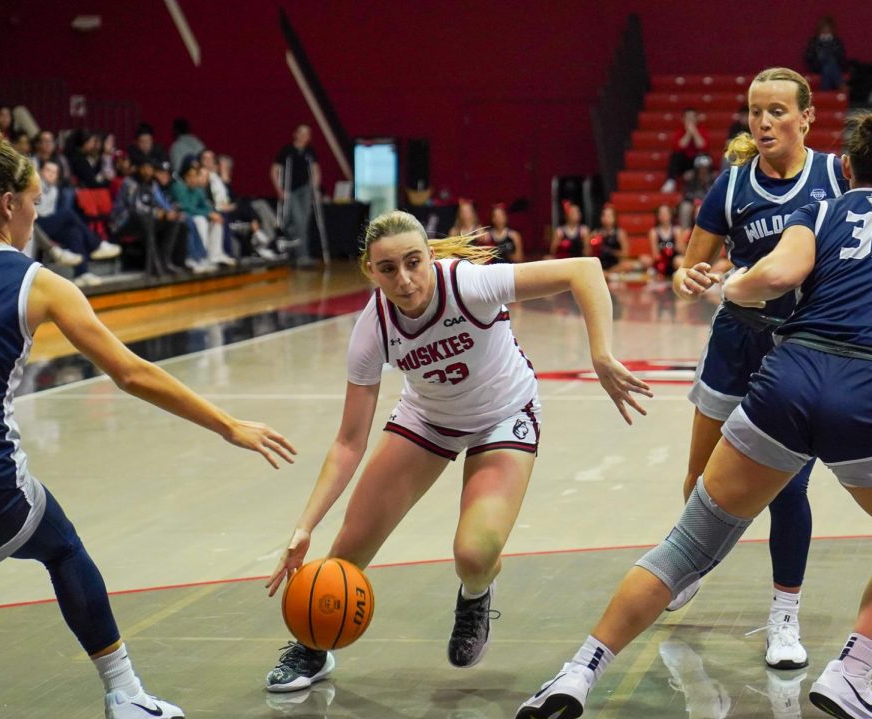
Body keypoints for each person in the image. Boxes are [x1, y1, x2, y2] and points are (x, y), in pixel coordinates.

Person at [515, 112, 872, 719]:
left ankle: (576, 673)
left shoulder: (819, 215)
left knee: (686, 547)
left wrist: (728, 289)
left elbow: (772, 277)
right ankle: (852, 671)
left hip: (786, 383)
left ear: (845, 171)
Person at [0, 108, 297, 719]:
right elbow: (133, 375)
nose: (36, 214)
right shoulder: (42, 286)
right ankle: (125, 697)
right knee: (62, 550)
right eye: (33, 203)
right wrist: (227, 425)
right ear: (7, 204)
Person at [261, 210, 651, 692]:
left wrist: (600, 353)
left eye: (413, 263)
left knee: (473, 553)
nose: (404, 280)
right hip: (428, 420)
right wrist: (305, 526)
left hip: (504, 415)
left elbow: (584, 270)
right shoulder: (372, 329)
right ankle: (313, 647)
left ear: (430, 256)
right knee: (343, 556)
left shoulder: (468, 285)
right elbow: (348, 442)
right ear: (370, 271)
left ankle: (476, 593)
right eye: (388, 269)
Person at [666, 67, 850, 670]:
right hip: (734, 343)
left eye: (777, 111)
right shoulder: (731, 184)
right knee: (700, 479)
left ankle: (784, 617)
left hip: (798, 350)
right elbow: (688, 267)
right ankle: (691, 563)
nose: (764, 122)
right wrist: (688, 277)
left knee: (788, 488)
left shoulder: (834, 177)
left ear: (806, 117)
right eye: (755, 112)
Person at [36, 160, 122, 286]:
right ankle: (96, 245)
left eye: (54, 172)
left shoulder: (55, 190)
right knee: (67, 213)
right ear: (41, 172)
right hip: (36, 224)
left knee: (74, 232)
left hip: (51, 224)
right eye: (48, 171)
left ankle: (82, 273)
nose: (50, 174)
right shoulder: (36, 185)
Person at [112, 158, 186, 277]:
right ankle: (152, 266)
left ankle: (164, 261)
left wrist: (171, 212)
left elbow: (161, 203)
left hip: (143, 220)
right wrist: (159, 213)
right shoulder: (130, 182)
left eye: (150, 169)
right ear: (138, 169)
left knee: (174, 222)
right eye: (144, 168)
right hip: (122, 221)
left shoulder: (152, 184)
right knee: (147, 219)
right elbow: (135, 207)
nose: (147, 171)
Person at [170, 158, 234, 271]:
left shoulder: (198, 189)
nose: (194, 179)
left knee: (217, 218)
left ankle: (215, 255)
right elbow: (186, 207)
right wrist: (207, 214)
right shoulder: (178, 187)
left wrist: (210, 213)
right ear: (185, 176)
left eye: (196, 176)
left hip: (196, 215)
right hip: (184, 216)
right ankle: (198, 257)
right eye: (191, 176)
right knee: (201, 220)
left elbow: (205, 205)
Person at [271, 124, 320, 264]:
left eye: (307, 134)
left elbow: (315, 170)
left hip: (305, 190)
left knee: (303, 222)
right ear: (296, 134)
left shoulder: (310, 151)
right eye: (302, 133)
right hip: (290, 190)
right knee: (299, 221)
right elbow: (274, 170)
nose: (305, 137)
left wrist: (314, 189)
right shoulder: (287, 151)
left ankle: (294, 251)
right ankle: (301, 256)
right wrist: (279, 189)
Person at [662, 109, 708, 193]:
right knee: (675, 156)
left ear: (697, 119)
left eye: (692, 118)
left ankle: (702, 185)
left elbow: (702, 146)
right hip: (683, 162)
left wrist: (694, 133)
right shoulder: (679, 132)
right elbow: (680, 147)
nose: (690, 120)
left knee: (704, 157)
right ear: (683, 119)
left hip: (696, 162)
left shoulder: (702, 131)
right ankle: (671, 181)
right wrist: (688, 133)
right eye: (688, 118)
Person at [804, 15, 847, 91]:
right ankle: (840, 84)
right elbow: (808, 57)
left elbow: (841, 57)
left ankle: (824, 90)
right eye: (824, 28)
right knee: (828, 60)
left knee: (828, 65)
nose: (826, 30)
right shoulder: (814, 41)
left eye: (828, 29)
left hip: (833, 66)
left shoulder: (836, 41)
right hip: (817, 66)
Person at [647, 204, 686, 278]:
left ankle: (677, 273)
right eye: (661, 213)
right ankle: (658, 272)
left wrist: (679, 245)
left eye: (666, 213)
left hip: (674, 262)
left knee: (679, 260)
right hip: (661, 262)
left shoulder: (677, 230)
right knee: (645, 260)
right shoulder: (654, 232)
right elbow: (655, 254)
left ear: (671, 215)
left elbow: (683, 251)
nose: (663, 215)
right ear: (657, 216)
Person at [592, 204, 631, 272]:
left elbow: (625, 254)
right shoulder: (595, 233)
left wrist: (611, 252)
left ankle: (608, 273)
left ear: (614, 218)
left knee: (627, 265)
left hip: (615, 266)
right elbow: (589, 254)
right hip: (600, 266)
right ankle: (604, 273)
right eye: (604, 215)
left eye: (609, 216)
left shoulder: (620, 233)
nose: (606, 218)